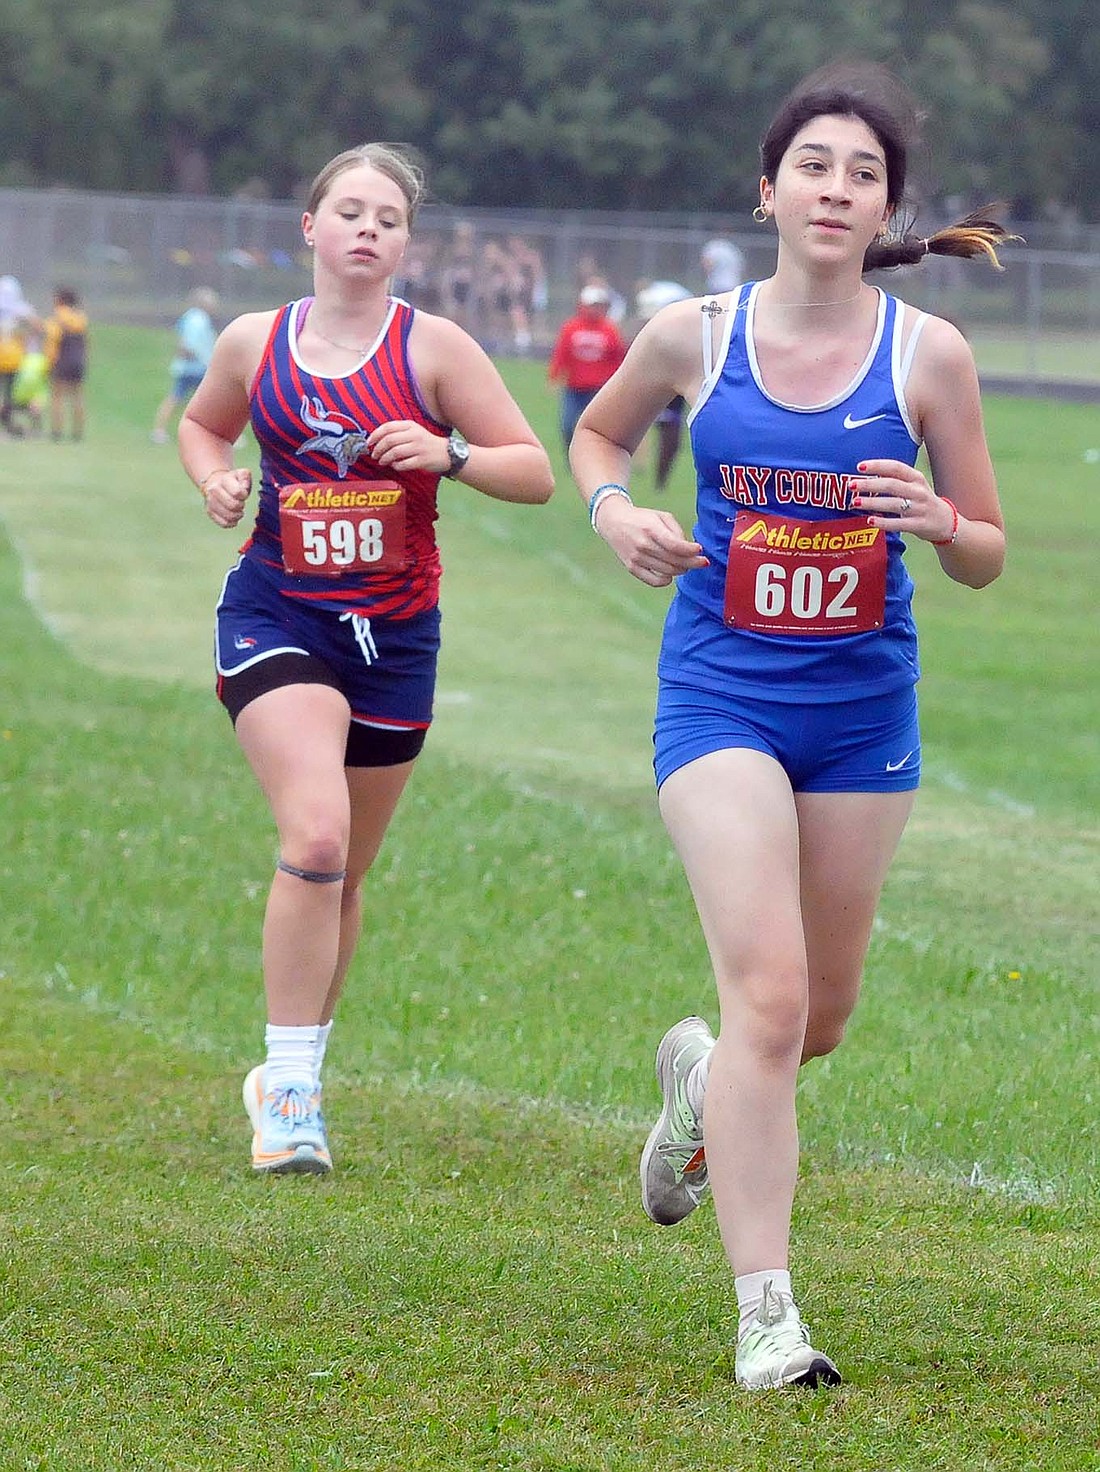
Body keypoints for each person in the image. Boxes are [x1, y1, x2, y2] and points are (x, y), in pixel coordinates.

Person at [568, 60, 1013, 1390]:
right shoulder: (691, 335)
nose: (836, 187)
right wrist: (617, 513)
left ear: (885, 207)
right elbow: (596, 440)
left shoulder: (928, 355)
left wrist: (941, 526)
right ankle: (770, 1321)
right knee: (768, 992)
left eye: (864, 172)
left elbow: (988, 549)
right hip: (720, 698)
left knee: (811, 1023)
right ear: (768, 189)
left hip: (861, 714)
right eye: (814, 164)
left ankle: (701, 1091)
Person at [177, 143, 553, 1176]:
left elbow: (534, 472)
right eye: (347, 211)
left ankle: (290, 1069)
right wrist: (215, 479)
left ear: (405, 242)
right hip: (275, 615)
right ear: (310, 226)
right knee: (314, 834)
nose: (366, 229)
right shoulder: (257, 342)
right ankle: (291, 1093)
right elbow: (203, 426)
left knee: (343, 872)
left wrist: (452, 454)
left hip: (393, 639)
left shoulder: (435, 352)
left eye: (386, 217)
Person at [546, 284, 627, 450]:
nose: (595, 310)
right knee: (567, 426)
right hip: (574, 389)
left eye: (599, 305)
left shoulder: (609, 330)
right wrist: (554, 376)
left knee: (599, 430)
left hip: (598, 389)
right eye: (592, 305)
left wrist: (619, 382)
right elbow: (561, 353)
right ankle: (572, 455)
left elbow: (617, 358)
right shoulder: (571, 328)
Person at [634, 281, 693, 491]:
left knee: (671, 441)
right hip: (651, 387)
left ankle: (660, 482)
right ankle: (637, 467)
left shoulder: (685, 337)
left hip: (673, 396)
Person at [151, 287, 218, 443]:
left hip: (190, 367)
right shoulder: (198, 319)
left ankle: (160, 430)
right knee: (211, 400)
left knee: (178, 398)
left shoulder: (190, 317)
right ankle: (219, 434)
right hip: (195, 368)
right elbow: (188, 343)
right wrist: (193, 356)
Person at [44, 287, 89, 441]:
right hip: (78, 360)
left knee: (57, 397)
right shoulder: (81, 318)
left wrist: (49, 363)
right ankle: (78, 432)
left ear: (61, 300)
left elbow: (52, 342)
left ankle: (57, 432)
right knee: (77, 396)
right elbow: (86, 341)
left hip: (61, 360)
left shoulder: (56, 318)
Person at [0, 275, 37, 436]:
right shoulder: (21, 309)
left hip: (7, 357)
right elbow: (37, 326)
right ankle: (10, 425)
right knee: (11, 394)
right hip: (14, 358)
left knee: (8, 395)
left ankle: (8, 424)